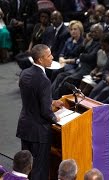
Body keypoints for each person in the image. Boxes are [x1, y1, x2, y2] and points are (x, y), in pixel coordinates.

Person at [16, 44, 64, 180]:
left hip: (25, 128)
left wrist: (51, 101)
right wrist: (56, 118)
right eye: (49, 55)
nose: (52, 57)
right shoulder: (44, 80)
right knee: (39, 170)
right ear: (40, 60)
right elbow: (45, 112)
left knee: (26, 167)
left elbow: (32, 97)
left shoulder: (24, 73)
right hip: (39, 132)